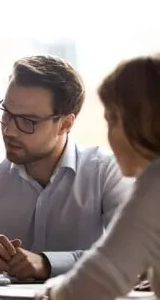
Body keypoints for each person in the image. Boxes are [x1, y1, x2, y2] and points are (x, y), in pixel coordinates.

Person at [0, 55, 132, 281]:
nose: (9, 131)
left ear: (65, 124)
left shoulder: (104, 172)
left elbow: (130, 253)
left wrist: (46, 263)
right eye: (7, 113)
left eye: (27, 121)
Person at [37, 55, 160, 299]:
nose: (110, 137)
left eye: (112, 119)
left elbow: (96, 281)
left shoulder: (155, 183)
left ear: (142, 121)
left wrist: (48, 294)